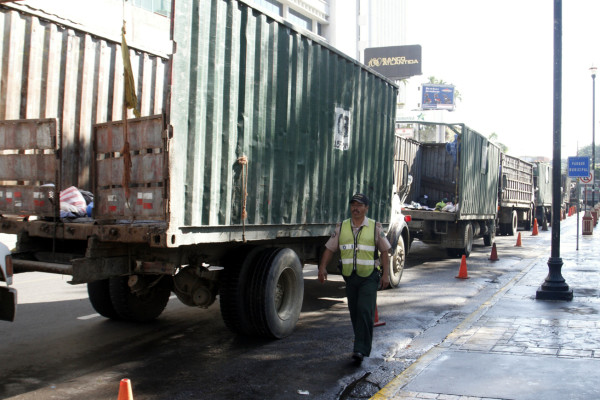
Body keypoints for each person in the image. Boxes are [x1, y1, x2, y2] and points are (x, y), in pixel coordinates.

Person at [318, 193, 391, 365]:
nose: (355, 208)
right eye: (353, 204)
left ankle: (360, 349)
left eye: (359, 205)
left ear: (366, 208)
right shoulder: (342, 227)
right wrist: (322, 267)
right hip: (351, 277)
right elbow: (330, 249)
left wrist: (386, 274)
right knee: (355, 312)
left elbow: (385, 252)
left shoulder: (374, 227)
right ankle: (360, 343)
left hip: (370, 277)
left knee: (365, 310)